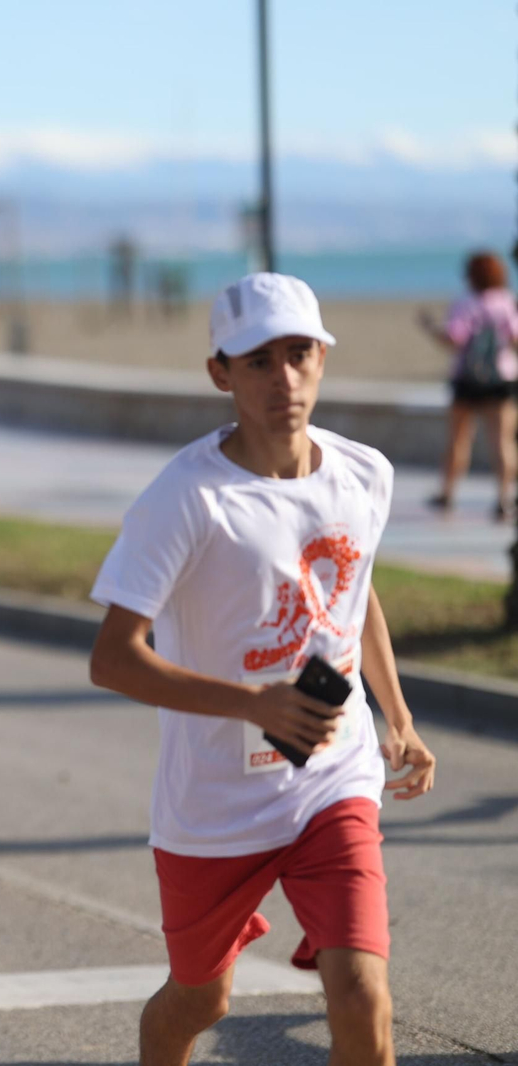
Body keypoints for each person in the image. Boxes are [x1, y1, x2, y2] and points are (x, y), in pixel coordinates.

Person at [87, 272, 437, 1066]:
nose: (283, 378)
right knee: (199, 999)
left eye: (298, 354)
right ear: (221, 373)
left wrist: (398, 717)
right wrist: (256, 706)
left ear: (322, 359)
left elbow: (353, 591)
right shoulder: (187, 498)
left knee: (361, 994)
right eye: (257, 361)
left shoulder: (363, 475)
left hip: (331, 780)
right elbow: (113, 660)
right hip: (213, 808)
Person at [418, 250, 518, 519]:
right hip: (501, 379)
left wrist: (430, 328)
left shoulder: (465, 303)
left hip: (467, 380)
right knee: (503, 443)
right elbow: (514, 338)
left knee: (458, 440)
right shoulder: (506, 302)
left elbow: (454, 339)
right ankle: (504, 498)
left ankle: (448, 493)